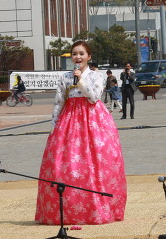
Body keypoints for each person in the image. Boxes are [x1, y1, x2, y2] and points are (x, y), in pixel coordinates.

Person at [35, 40, 126, 225]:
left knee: (97, 162)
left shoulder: (97, 76)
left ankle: (97, 207)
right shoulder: (64, 77)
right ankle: (68, 209)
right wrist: (54, 127)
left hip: (93, 121)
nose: (78, 57)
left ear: (89, 56)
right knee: (66, 164)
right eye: (75, 54)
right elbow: (59, 102)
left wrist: (81, 80)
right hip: (69, 121)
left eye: (82, 53)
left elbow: (93, 97)